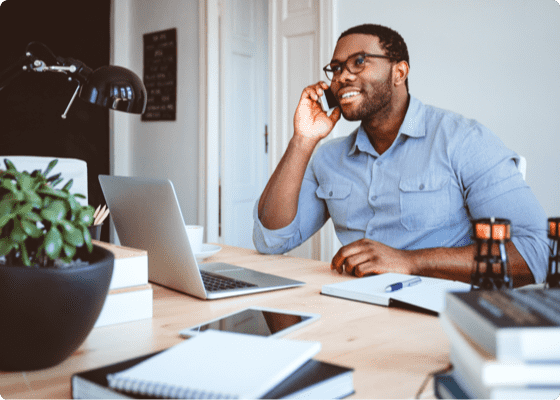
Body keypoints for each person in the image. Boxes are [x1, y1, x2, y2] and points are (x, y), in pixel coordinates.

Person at [253, 23, 548, 287]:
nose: (342, 76)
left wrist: (410, 261)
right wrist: (303, 140)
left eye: (358, 62)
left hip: (442, 313)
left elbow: (536, 251)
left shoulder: (463, 140)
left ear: (400, 72)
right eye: (336, 68)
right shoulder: (329, 157)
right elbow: (271, 240)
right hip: (353, 307)